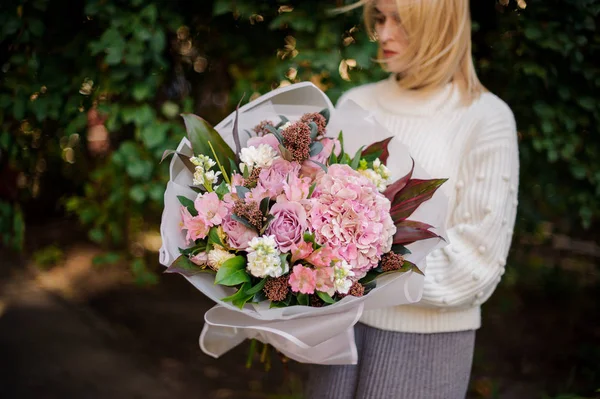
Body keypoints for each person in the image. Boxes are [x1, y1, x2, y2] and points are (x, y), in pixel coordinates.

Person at [306, 0, 519, 398]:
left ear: (440, 25)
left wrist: (354, 275)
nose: (383, 34)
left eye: (401, 21)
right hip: (337, 335)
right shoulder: (357, 103)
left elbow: (477, 264)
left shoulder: (484, 118)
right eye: (380, 18)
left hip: (425, 347)